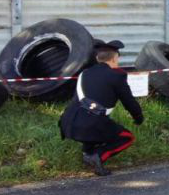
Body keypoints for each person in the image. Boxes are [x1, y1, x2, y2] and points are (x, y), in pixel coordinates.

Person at [59, 39, 144, 176]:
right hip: (89, 123)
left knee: (95, 125)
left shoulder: (84, 73)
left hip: (68, 122)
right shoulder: (117, 76)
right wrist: (138, 117)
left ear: (98, 58)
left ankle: (87, 153)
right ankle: (98, 156)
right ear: (115, 58)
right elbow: (128, 101)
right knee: (127, 137)